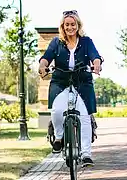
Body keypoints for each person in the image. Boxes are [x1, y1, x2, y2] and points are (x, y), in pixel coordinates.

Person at [39, 10, 102, 167]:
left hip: (82, 82)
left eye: (73, 24)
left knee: (85, 117)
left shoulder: (86, 41)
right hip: (61, 81)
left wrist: (96, 64)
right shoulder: (56, 42)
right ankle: (59, 137)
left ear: (78, 25)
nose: (70, 27)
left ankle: (86, 154)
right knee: (57, 111)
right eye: (67, 24)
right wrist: (43, 66)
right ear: (63, 26)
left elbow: (95, 56)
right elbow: (46, 58)